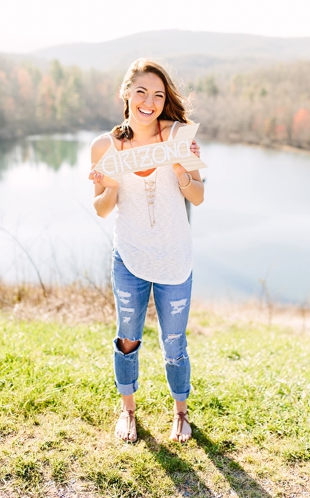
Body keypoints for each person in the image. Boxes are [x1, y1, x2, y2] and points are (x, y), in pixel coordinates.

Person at [89, 59, 204, 443]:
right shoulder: (105, 146)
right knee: (128, 338)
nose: (149, 102)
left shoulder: (177, 136)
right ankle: (128, 411)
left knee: (175, 342)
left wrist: (180, 168)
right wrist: (111, 184)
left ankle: (181, 414)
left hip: (175, 258)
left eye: (158, 94)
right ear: (126, 93)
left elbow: (198, 197)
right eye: (141, 92)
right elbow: (102, 209)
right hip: (130, 259)